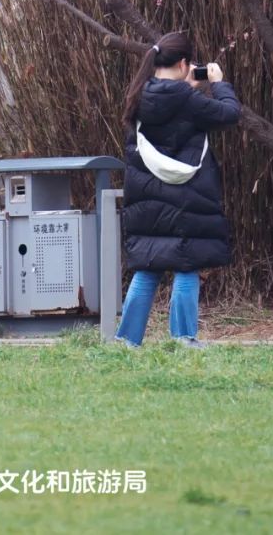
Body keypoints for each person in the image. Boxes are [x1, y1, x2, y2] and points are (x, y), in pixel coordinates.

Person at [115, 31, 241, 348]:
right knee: (187, 265)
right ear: (184, 63)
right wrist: (218, 83)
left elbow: (168, 112)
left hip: (146, 196)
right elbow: (229, 114)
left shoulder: (138, 95)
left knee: (147, 267)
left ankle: (127, 341)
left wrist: (188, 89)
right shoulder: (189, 100)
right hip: (187, 195)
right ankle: (183, 339)